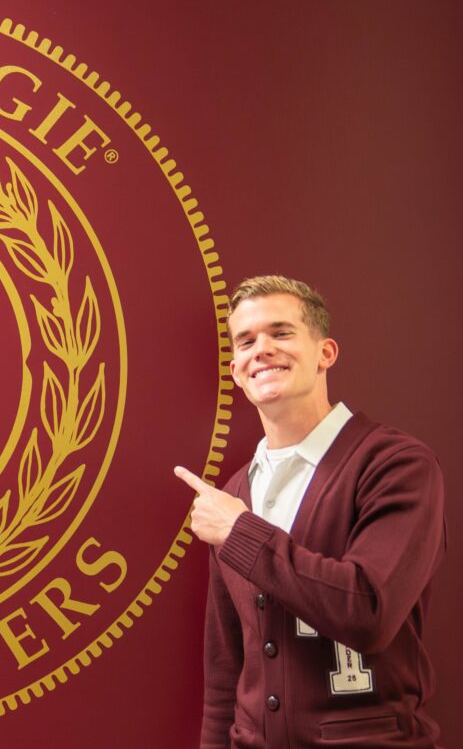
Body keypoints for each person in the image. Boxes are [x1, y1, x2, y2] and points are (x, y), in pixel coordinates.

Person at [174, 275, 445, 748]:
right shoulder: (236, 492)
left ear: (326, 353)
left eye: (281, 333)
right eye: (246, 341)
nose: (261, 349)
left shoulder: (397, 464)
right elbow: (225, 672)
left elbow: (368, 611)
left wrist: (238, 530)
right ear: (236, 370)